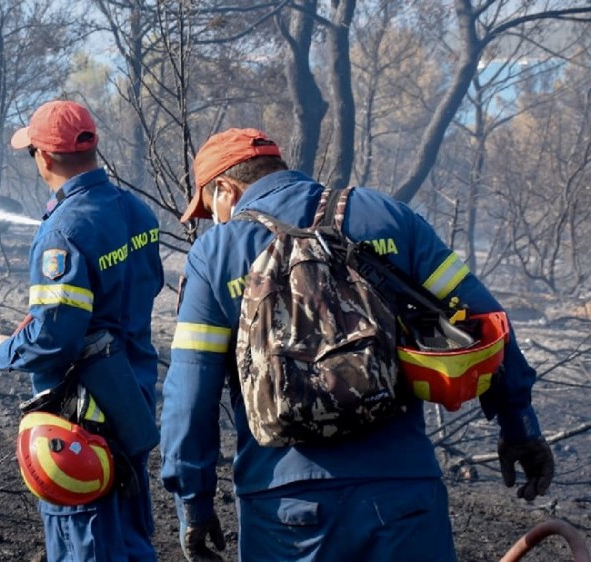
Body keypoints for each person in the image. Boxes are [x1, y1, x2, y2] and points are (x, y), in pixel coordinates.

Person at [160, 127, 555, 562]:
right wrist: (519, 426)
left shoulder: (215, 253)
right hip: (403, 496)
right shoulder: (387, 216)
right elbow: (486, 321)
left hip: (285, 511)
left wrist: (192, 504)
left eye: (209, 209)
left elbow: (189, 396)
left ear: (224, 190)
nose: (213, 220)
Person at [0, 99, 163, 562]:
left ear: (43, 157)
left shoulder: (62, 232)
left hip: (82, 421)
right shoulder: (137, 213)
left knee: (87, 540)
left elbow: (54, 338)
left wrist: (2, 352)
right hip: (134, 401)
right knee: (129, 536)